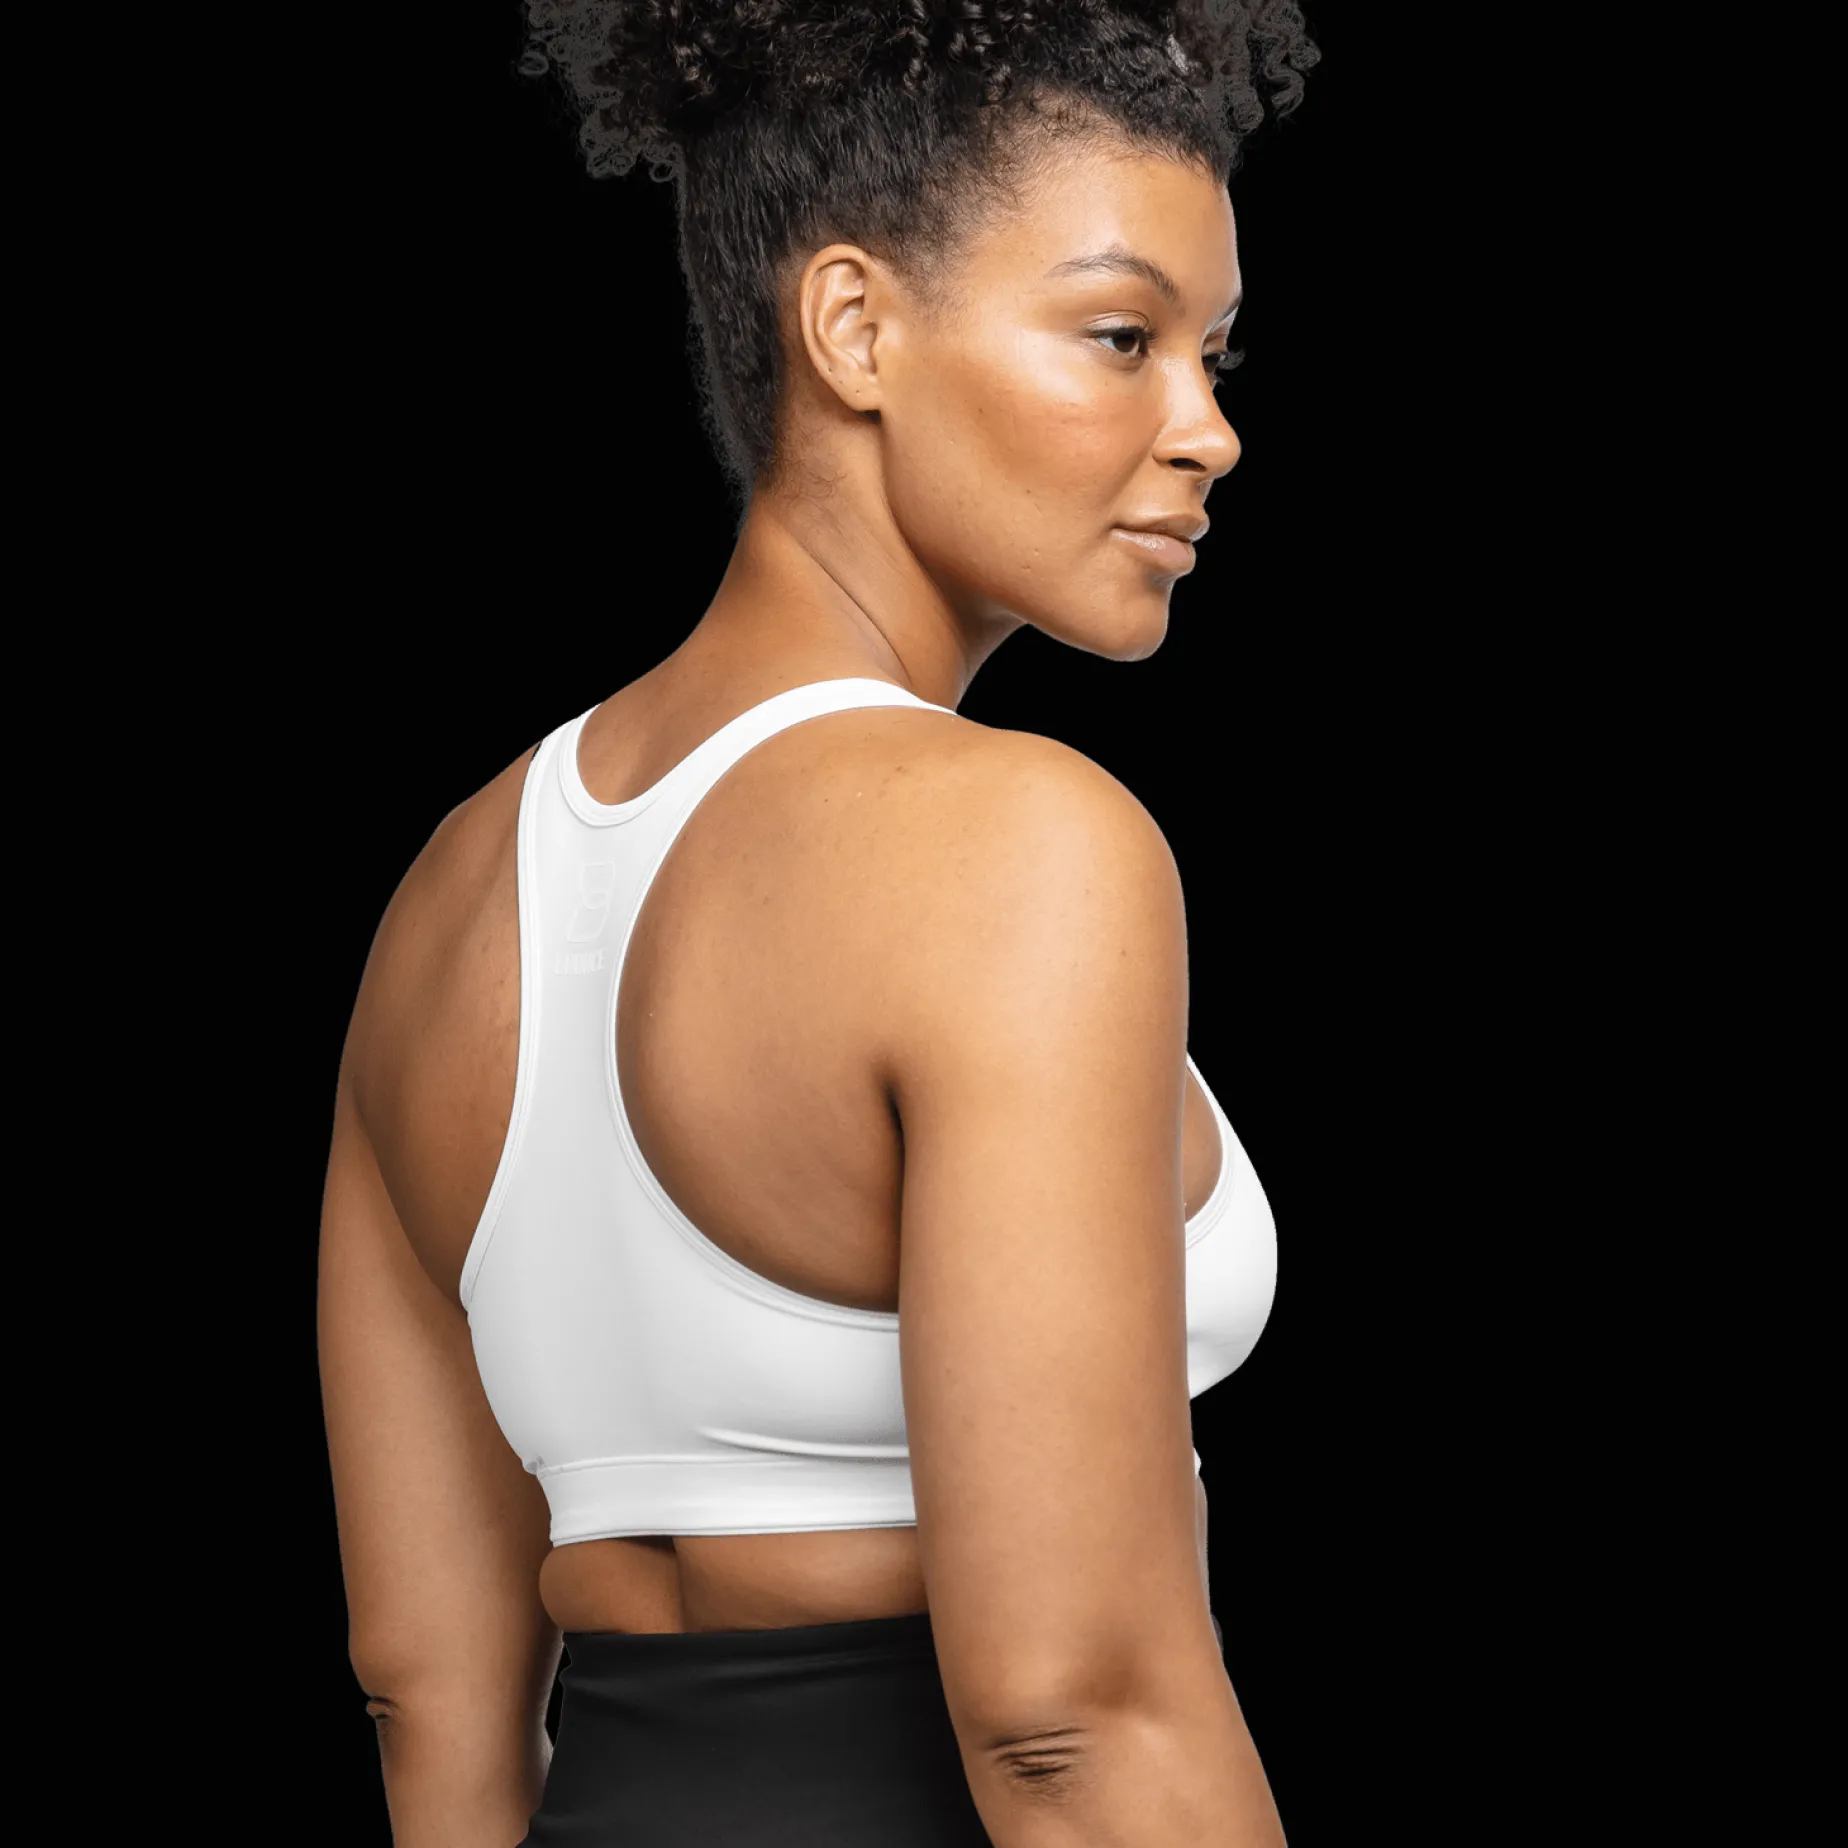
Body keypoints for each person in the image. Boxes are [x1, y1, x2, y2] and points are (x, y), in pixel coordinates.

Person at [318, 2, 1317, 1842]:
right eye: (1123, 338)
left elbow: (431, 1701)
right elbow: (1073, 1724)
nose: (1210, 431)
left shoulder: (447, 899)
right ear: (853, 328)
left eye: (1214, 353)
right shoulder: (1018, 845)